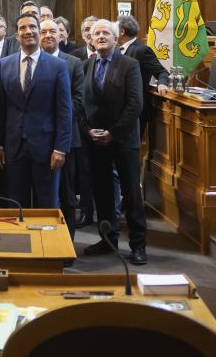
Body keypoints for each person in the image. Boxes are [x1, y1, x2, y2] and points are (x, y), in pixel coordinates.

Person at [79, 18, 148, 265]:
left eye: (105, 33)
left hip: (122, 139)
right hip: (95, 141)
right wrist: (88, 131)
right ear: (90, 39)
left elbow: (135, 104)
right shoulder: (85, 65)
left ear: (117, 36)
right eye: (96, 33)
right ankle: (108, 241)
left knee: (131, 193)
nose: (100, 37)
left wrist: (112, 133)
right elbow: (80, 105)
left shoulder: (129, 65)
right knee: (102, 193)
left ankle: (138, 245)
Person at [0, 13, 73, 209]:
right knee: (16, 204)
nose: (28, 31)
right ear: (16, 35)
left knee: (47, 205)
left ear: (39, 32)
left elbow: (64, 111)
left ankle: (47, 241)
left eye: (32, 27)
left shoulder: (58, 66)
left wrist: (61, 148)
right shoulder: (5, 64)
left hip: (47, 149)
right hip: (13, 147)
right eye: (22, 28)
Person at [42, 18, 93, 235]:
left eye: (52, 31)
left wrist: (51, 116)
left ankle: (67, 246)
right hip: (36, 138)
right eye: (43, 31)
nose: (48, 35)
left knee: (66, 194)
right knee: (41, 195)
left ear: (61, 35)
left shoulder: (73, 63)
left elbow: (79, 101)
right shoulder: (29, 61)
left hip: (65, 139)